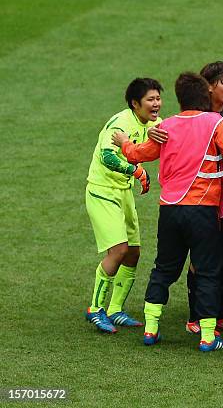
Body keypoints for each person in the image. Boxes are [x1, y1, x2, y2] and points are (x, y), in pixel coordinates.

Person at [112, 72, 223, 352]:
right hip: (202, 210)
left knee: (163, 269)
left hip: (170, 211)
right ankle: (208, 337)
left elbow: (138, 154)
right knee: (208, 271)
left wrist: (124, 141)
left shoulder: (168, 126)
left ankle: (151, 329)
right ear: (205, 96)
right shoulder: (214, 122)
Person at [84, 78, 163, 333]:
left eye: (158, 99)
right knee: (118, 251)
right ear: (135, 103)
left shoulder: (153, 123)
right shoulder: (121, 124)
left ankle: (115, 309)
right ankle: (95, 309)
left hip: (124, 191)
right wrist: (136, 170)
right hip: (102, 191)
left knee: (133, 253)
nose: (156, 104)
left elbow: (173, 132)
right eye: (150, 100)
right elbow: (107, 156)